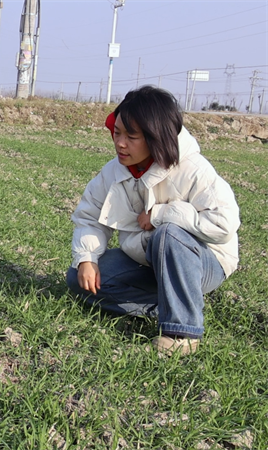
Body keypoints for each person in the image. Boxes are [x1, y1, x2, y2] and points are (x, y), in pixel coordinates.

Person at [66, 85, 240, 356]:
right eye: (117, 132)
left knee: (168, 234)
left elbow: (223, 224)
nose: (120, 143)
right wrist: (87, 259)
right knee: (79, 279)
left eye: (131, 136)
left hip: (205, 261)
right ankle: (177, 303)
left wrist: (161, 215)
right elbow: (90, 217)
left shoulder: (194, 170)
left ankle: (182, 334)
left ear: (155, 136)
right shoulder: (114, 171)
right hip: (148, 259)